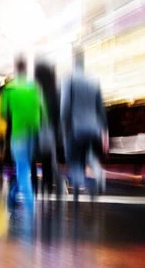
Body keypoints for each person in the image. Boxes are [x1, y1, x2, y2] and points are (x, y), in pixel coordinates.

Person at [0, 57, 46, 210]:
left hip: (18, 133)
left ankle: (30, 206)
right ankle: (12, 194)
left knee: (23, 168)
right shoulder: (35, 86)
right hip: (34, 133)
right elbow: (43, 109)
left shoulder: (9, 89)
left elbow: (3, 114)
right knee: (24, 167)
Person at [61, 54, 107, 202]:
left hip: (76, 126)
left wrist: (64, 126)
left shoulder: (69, 79)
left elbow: (65, 105)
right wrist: (104, 129)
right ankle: (99, 174)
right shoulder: (93, 80)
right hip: (94, 127)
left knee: (73, 158)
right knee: (88, 153)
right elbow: (101, 107)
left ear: (73, 62)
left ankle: (81, 184)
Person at [33, 61, 62, 196]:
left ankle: (39, 185)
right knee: (49, 159)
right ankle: (49, 185)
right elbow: (58, 113)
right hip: (51, 129)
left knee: (38, 157)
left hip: (38, 128)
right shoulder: (54, 92)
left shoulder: (36, 92)